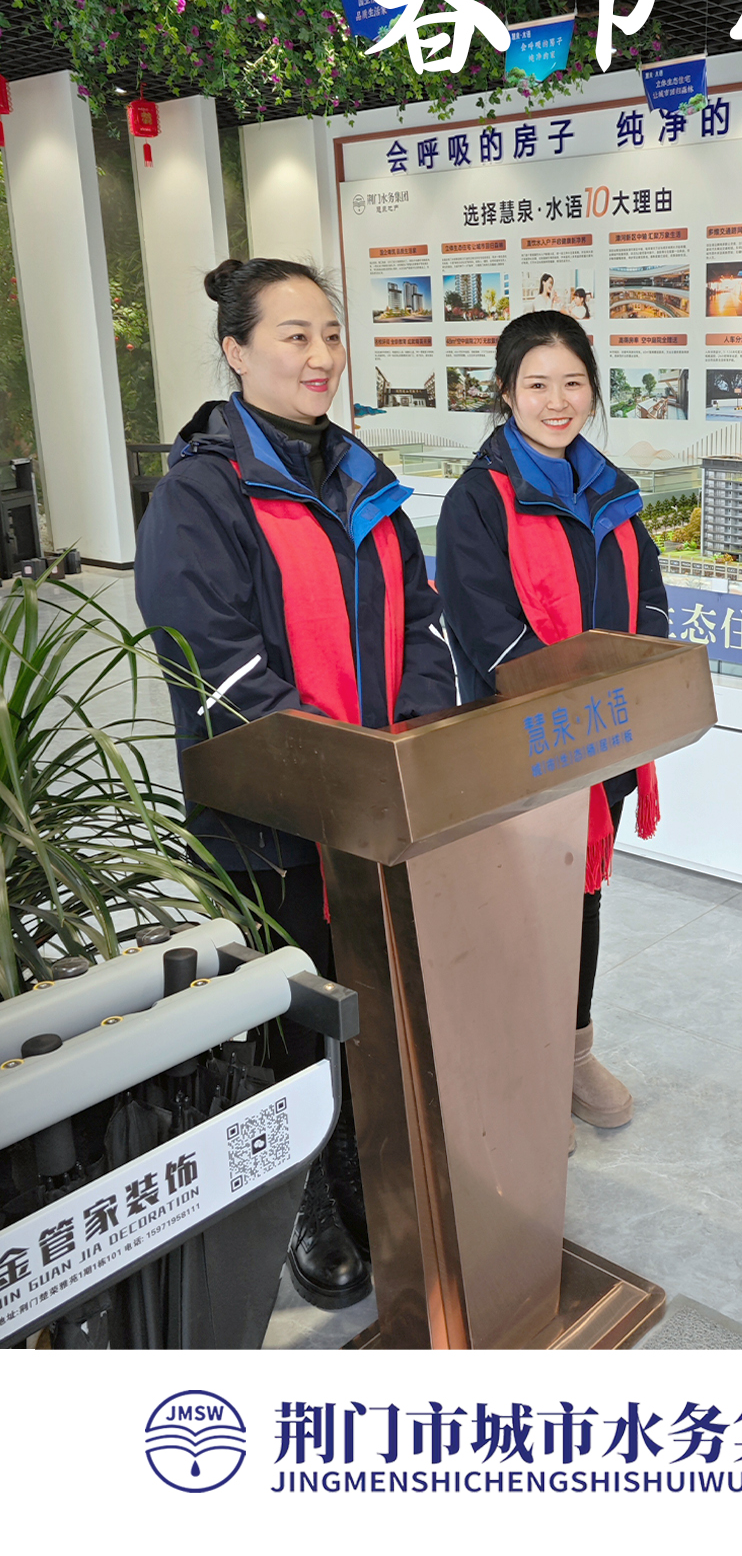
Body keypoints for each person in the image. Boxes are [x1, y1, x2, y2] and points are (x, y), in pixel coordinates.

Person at [134, 257, 457, 1312]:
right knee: (293, 1004)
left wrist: (412, 735)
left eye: (330, 333)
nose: (321, 356)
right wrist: (338, 767)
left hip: (370, 804)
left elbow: (421, 616)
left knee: (368, 993)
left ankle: (362, 1158)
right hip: (268, 816)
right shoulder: (201, 493)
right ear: (236, 351)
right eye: (294, 336)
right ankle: (305, 1194)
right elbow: (213, 660)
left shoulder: (361, 475)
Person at [434, 311, 668, 1147]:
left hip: (605, 739)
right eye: (537, 383)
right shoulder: (477, 502)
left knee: (581, 899)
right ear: (505, 392)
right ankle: (515, 1068)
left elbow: (648, 598)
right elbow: (485, 629)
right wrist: (568, 710)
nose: (557, 400)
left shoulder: (610, 490)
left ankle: (570, 1054)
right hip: (523, 743)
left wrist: (636, 676)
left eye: (572, 382)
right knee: (517, 910)